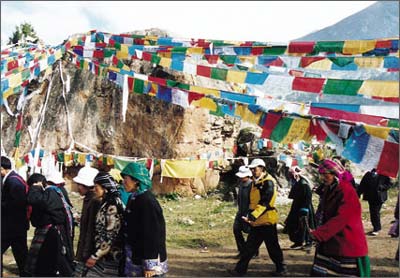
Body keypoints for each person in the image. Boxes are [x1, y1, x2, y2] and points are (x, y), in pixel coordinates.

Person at [309, 159, 370, 277]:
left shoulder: (347, 191)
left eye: (325, 175)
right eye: (321, 175)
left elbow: (341, 218)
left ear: (334, 174)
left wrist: (319, 234)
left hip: (346, 239)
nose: (322, 178)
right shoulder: (330, 188)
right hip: (331, 240)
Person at [229, 158, 286, 277]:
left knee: (272, 247)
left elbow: (265, 202)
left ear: (262, 168)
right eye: (252, 169)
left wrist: (252, 216)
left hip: (266, 221)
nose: (253, 171)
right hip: (257, 221)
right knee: (249, 247)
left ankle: (281, 268)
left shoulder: (268, 182)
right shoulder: (257, 181)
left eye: (255, 169)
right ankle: (240, 270)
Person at [121, 162, 168, 277]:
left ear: (136, 180)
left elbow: (153, 234)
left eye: (126, 179)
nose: (123, 182)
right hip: (136, 255)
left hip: (148, 260)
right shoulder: (134, 197)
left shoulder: (147, 202)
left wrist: (150, 265)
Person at [24, 173, 74, 276]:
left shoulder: (51, 192)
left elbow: (33, 200)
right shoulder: (55, 191)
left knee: (51, 262)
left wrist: (35, 187)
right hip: (52, 230)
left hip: (51, 232)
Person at [85, 172, 125, 276]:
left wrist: (95, 256)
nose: (94, 190)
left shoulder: (113, 206)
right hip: (104, 255)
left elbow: (110, 236)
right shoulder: (107, 203)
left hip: (111, 256)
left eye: (96, 187)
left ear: (105, 188)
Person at [1, 156, 29, 276]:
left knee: (21, 253)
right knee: (21, 253)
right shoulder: (13, 179)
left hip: (12, 226)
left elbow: (17, 204)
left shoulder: (13, 181)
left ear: (2, 168)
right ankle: (26, 273)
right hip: (16, 226)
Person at [73, 165, 101, 268]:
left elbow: (91, 230)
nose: (78, 187)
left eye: (79, 184)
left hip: (89, 251)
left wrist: (86, 253)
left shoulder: (94, 201)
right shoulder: (88, 199)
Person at [285, 166, 315, 250]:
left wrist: (304, 209)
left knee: (306, 224)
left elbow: (307, 197)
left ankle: (308, 242)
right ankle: (298, 241)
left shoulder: (304, 184)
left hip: (304, 207)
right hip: (297, 206)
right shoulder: (297, 183)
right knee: (295, 224)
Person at [232, 165, 258, 258]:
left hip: (249, 212)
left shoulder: (252, 185)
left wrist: (250, 213)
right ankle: (242, 250)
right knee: (236, 229)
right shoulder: (240, 184)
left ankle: (253, 252)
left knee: (251, 233)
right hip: (240, 211)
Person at [357, 168, 392, 236]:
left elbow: (389, 183)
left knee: (375, 212)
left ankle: (376, 228)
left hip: (379, 197)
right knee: (373, 212)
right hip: (370, 197)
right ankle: (376, 227)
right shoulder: (368, 174)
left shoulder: (384, 174)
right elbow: (362, 185)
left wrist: (382, 187)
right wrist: (358, 194)